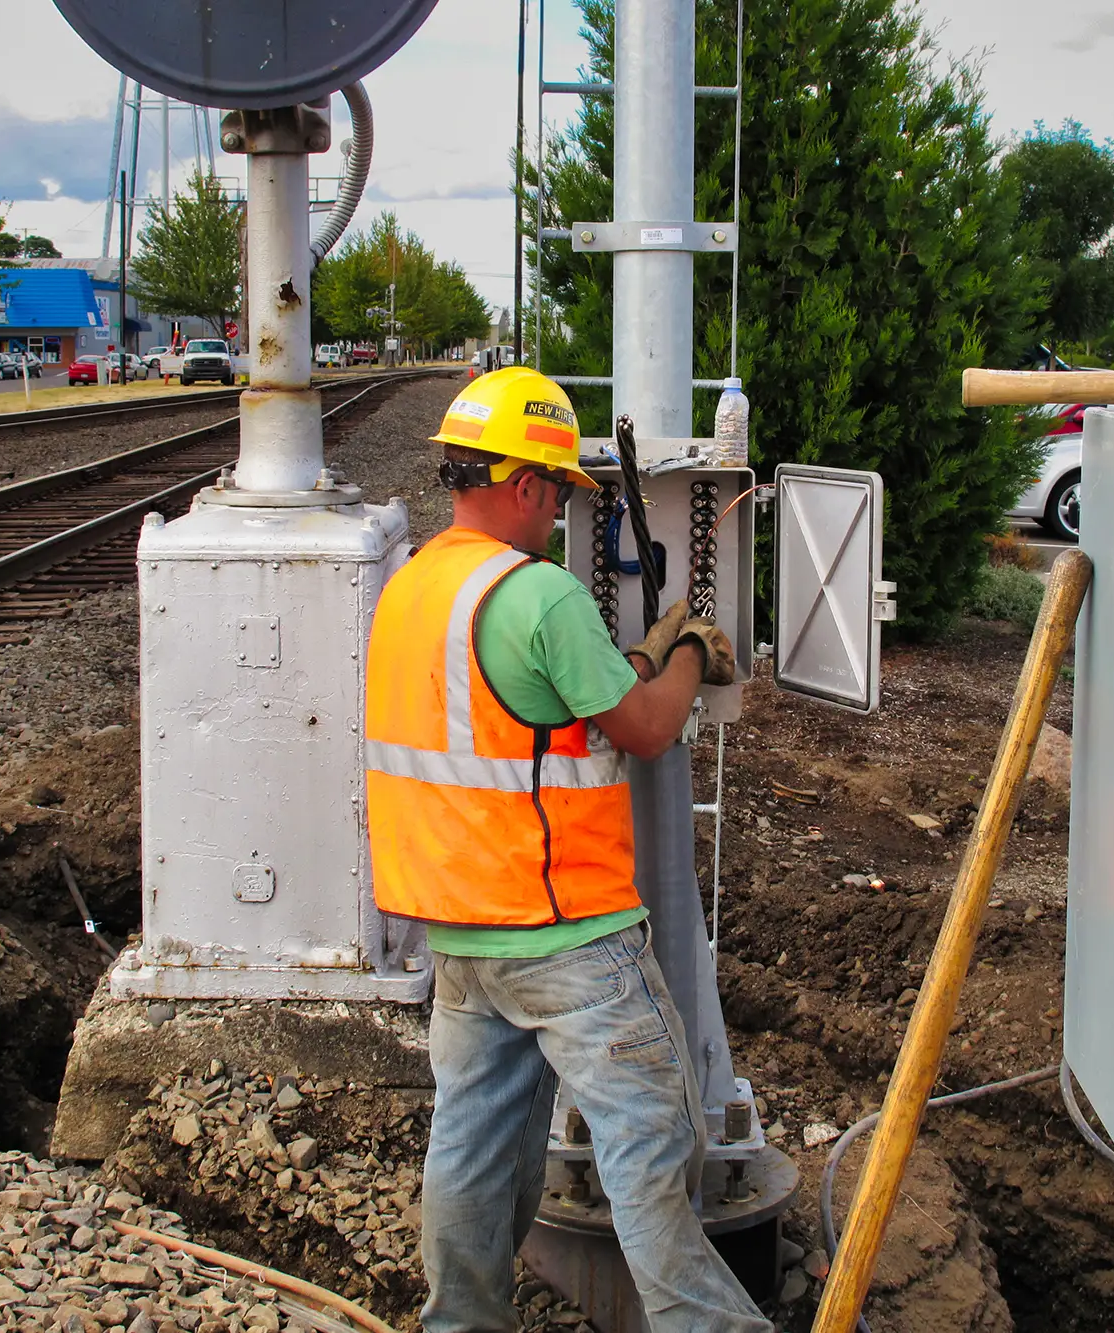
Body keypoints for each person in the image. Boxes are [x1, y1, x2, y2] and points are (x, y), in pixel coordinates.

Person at [365, 367, 768, 1333]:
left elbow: (533, 706)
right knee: (652, 1144)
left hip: (462, 934)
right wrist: (688, 652)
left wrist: (642, 657)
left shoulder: (414, 586)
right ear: (521, 483)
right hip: (567, 935)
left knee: (472, 1146)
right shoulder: (538, 593)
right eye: (555, 494)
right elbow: (645, 727)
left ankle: (460, 1321)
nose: (559, 515)